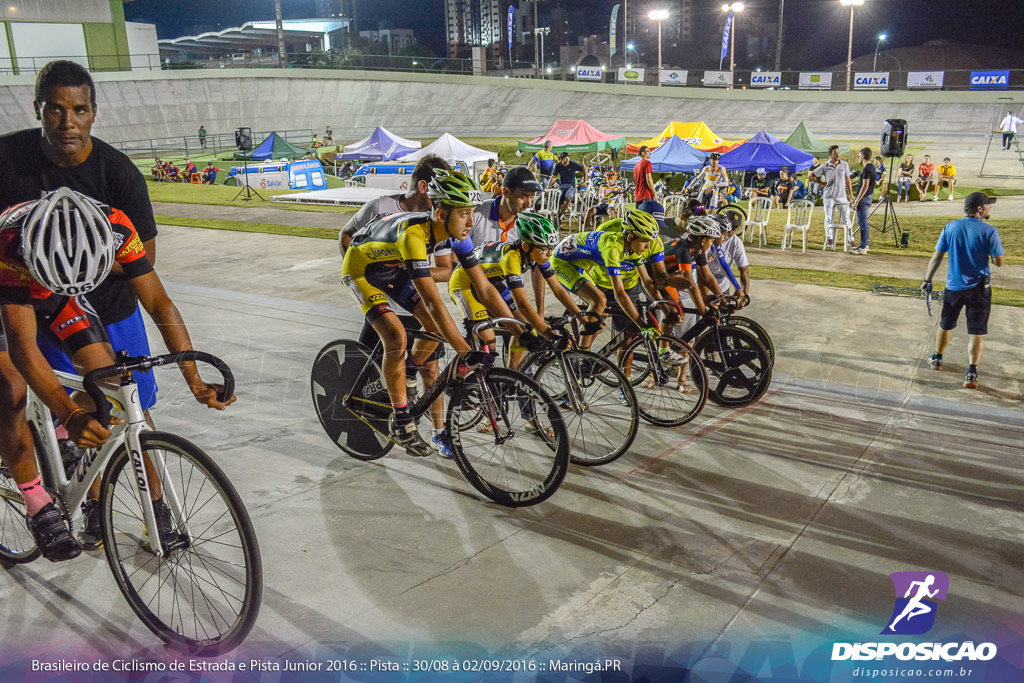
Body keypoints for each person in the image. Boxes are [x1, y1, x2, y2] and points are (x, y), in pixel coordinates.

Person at [2, 189, 235, 550]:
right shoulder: (9, 244)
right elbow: (22, 348)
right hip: (10, 287)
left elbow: (158, 303)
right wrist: (71, 412)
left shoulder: (117, 227)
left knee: (106, 378)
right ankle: (36, 501)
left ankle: (64, 439)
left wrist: (194, 380)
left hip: (61, 292)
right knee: (10, 390)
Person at [0, 61, 162, 540]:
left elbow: (145, 259)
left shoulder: (118, 174)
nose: (67, 121)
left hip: (105, 302)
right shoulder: (7, 159)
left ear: (93, 113)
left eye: (79, 109)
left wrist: (75, 264)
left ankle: (157, 503)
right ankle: (71, 502)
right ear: (39, 110)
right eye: (55, 109)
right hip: (17, 287)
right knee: (23, 393)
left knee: (132, 409)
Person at [341, 170, 516, 457]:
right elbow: (434, 302)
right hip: (361, 270)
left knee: (434, 331)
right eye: (463, 214)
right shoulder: (414, 235)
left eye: (472, 213)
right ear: (440, 213)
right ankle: (401, 421)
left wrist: (521, 327)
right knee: (396, 336)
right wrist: (463, 349)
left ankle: (408, 370)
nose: (471, 223)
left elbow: (483, 288)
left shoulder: (457, 237)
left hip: (393, 269)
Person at [339, 154, 452, 351]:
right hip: (382, 298)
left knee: (429, 371)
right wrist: (366, 274)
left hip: (410, 296)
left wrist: (415, 270)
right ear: (423, 187)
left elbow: (446, 270)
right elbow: (346, 235)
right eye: (440, 191)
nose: (443, 199)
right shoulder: (380, 206)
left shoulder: (436, 220)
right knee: (370, 360)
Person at [449, 212, 580, 370]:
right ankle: (457, 379)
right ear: (526, 246)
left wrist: (582, 317)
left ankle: (512, 378)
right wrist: (551, 336)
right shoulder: (512, 258)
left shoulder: (536, 255)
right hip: (462, 283)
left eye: (551, 248)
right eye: (544, 249)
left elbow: (558, 289)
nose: (549, 254)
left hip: (489, 281)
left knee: (526, 328)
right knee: (487, 341)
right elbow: (522, 305)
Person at [922, 193, 1004, 389]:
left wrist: (927, 279)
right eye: (987, 205)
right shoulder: (989, 231)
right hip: (979, 289)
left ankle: (937, 358)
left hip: (954, 287)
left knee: (945, 324)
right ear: (979, 209)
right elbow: (998, 262)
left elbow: (937, 257)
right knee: (976, 331)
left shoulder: (950, 227)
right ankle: (972, 373)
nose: (989, 208)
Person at [808, 145, 853, 249]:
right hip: (829, 196)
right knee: (828, 218)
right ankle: (829, 237)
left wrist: (851, 194)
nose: (837, 155)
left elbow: (848, 180)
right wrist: (821, 183)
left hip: (842, 196)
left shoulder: (844, 165)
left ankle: (851, 239)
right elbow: (811, 175)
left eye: (838, 153)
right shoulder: (825, 166)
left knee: (846, 218)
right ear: (830, 155)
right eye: (835, 153)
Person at [851, 147, 877, 255]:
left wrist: (857, 201)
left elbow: (865, 186)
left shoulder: (867, 169)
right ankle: (865, 245)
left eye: (858, 156)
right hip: (867, 197)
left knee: (862, 223)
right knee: (863, 222)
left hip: (864, 198)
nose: (858, 158)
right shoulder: (871, 167)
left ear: (862, 156)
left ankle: (862, 246)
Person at [548, 152, 586, 224]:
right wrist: (548, 186)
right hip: (561, 186)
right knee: (559, 202)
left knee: (568, 199)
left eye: (568, 157)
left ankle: (558, 216)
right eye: (565, 158)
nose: (567, 159)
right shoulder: (558, 166)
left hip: (571, 186)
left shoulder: (573, 164)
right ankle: (559, 221)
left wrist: (584, 181)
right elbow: (553, 177)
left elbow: (585, 168)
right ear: (562, 159)